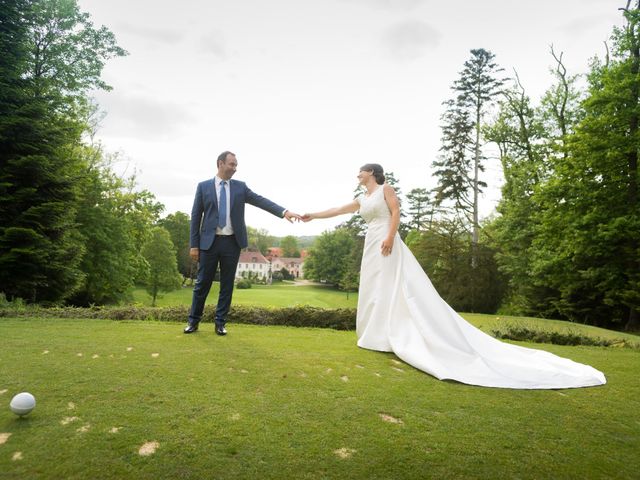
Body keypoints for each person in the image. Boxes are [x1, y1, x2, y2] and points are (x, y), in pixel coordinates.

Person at [302, 163, 606, 389]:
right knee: (374, 288)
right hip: (371, 241)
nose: (358, 175)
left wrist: (391, 238)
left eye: (361, 172)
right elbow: (337, 209)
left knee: (392, 286)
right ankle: (375, 334)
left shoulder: (386, 190)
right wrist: (311, 215)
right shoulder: (362, 197)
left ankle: (395, 334)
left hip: (386, 240)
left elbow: (396, 213)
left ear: (372, 173)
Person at [184, 150, 301, 336]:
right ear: (220, 163)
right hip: (209, 244)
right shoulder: (203, 187)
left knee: (227, 285)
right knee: (202, 284)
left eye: (236, 165)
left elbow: (261, 201)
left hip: (232, 243)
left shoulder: (240, 187)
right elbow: (195, 216)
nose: (235, 168)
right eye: (232, 164)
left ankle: (220, 324)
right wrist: (194, 245)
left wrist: (284, 211)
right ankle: (193, 321)